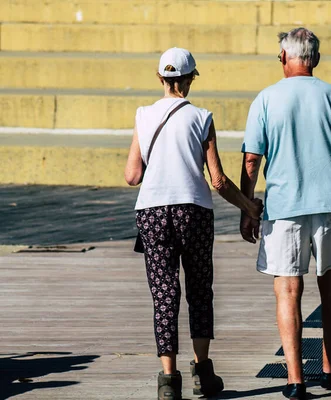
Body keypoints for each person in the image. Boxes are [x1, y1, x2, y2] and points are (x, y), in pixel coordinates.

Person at [239, 28, 331, 400]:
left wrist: (248, 208)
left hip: (285, 208)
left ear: (283, 57)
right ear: (315, 59)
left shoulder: (266, 99)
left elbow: (252, 160)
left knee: (287, 289)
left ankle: (296, 379)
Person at [124, 47, 262, 400]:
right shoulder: (201, 117)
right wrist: (249, 207)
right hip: (194, 211)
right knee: (200, 289)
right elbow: (217, 180)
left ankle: (168, 380)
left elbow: (131, 175)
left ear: (161, 79)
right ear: (189, 80)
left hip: (152, 211)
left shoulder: (143, 115)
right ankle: (202, 371)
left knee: (164, 293)